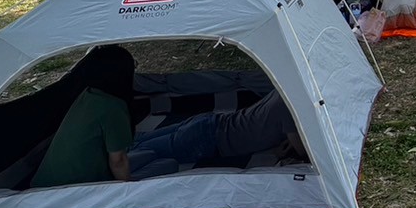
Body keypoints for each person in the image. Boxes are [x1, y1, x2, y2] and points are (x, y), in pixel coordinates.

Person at [130, 74, 304, 169]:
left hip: (210, 123)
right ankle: (113, 160)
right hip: (208, 140)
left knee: (142, 140)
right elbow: (303, 151)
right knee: (146, 151)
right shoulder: (290, 106)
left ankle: (114, 147)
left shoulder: (282, 93)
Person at [30, 46, 137, 188]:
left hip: (44, 184)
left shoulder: (88, 94)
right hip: (71, 190)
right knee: (165, 164)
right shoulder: (113, 107)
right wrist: (129, 190)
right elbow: (118, 161)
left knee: (148, 153)